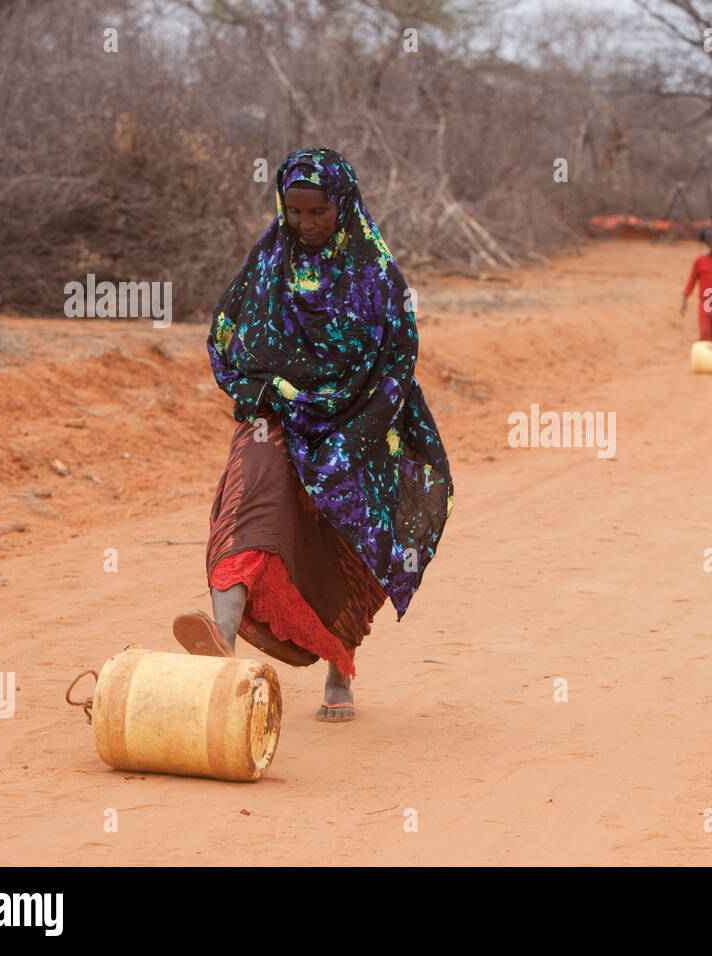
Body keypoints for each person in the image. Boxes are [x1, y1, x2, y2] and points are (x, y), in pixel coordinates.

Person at [181, 147, 454, 722]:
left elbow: (399, 357)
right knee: (250, 503)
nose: (304, 224)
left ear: (344, 206)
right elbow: (229, 331)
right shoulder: (269, 261)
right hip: (275, 413)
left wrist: (357, 425)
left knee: (347, 535)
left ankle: (340, 662)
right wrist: (252, 384)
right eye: (294, 210)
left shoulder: (376, 273)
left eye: (317, 212)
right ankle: (222, 643)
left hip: (361, 418)